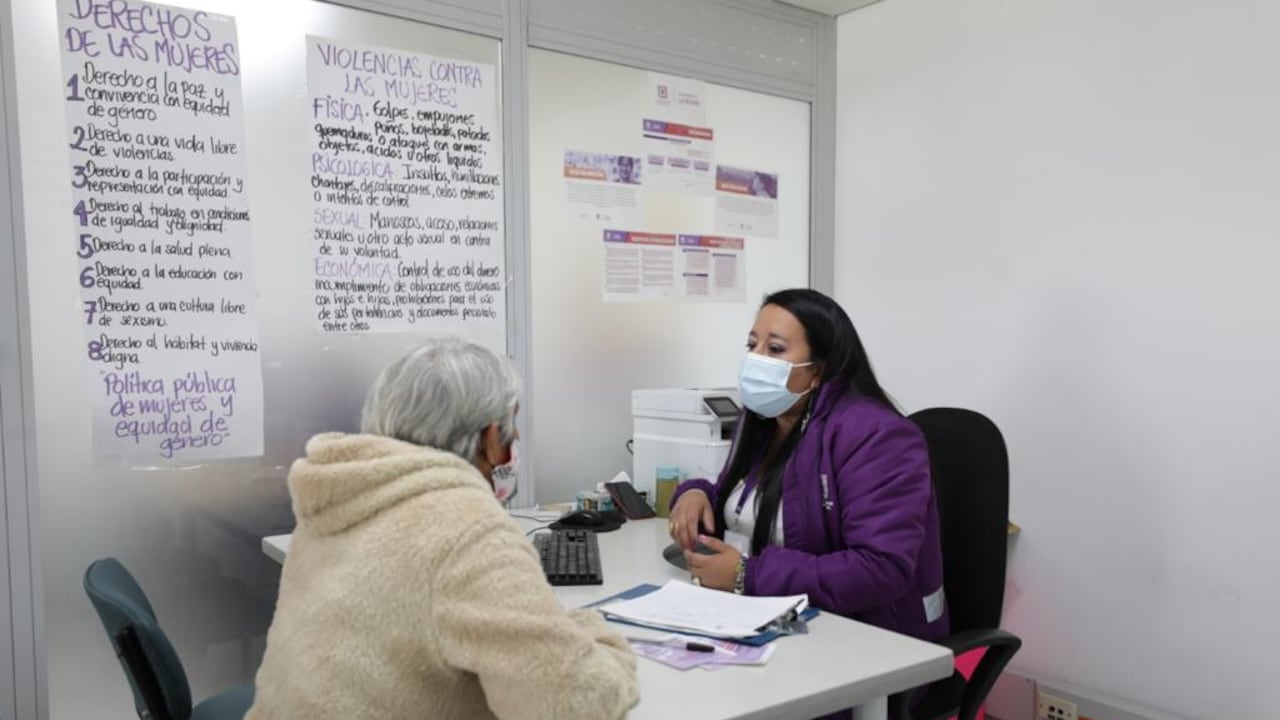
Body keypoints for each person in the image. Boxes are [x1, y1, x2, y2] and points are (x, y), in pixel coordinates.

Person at [248, 338, 639, 720]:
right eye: (511, 421)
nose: (516, 436)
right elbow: (576, 704)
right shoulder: (468, 530)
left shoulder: (340, 496)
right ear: (489, 437)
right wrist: (594, 631)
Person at [668, 289, 949, 646]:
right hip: (768, 620)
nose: (756, 360)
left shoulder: (878, 436)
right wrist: (695, 492)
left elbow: (881, 569)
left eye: (775, 349)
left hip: (865, 639)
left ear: (818, 371)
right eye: (752, 345)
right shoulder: (764, 418)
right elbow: (744, 497)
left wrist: (748, 575)